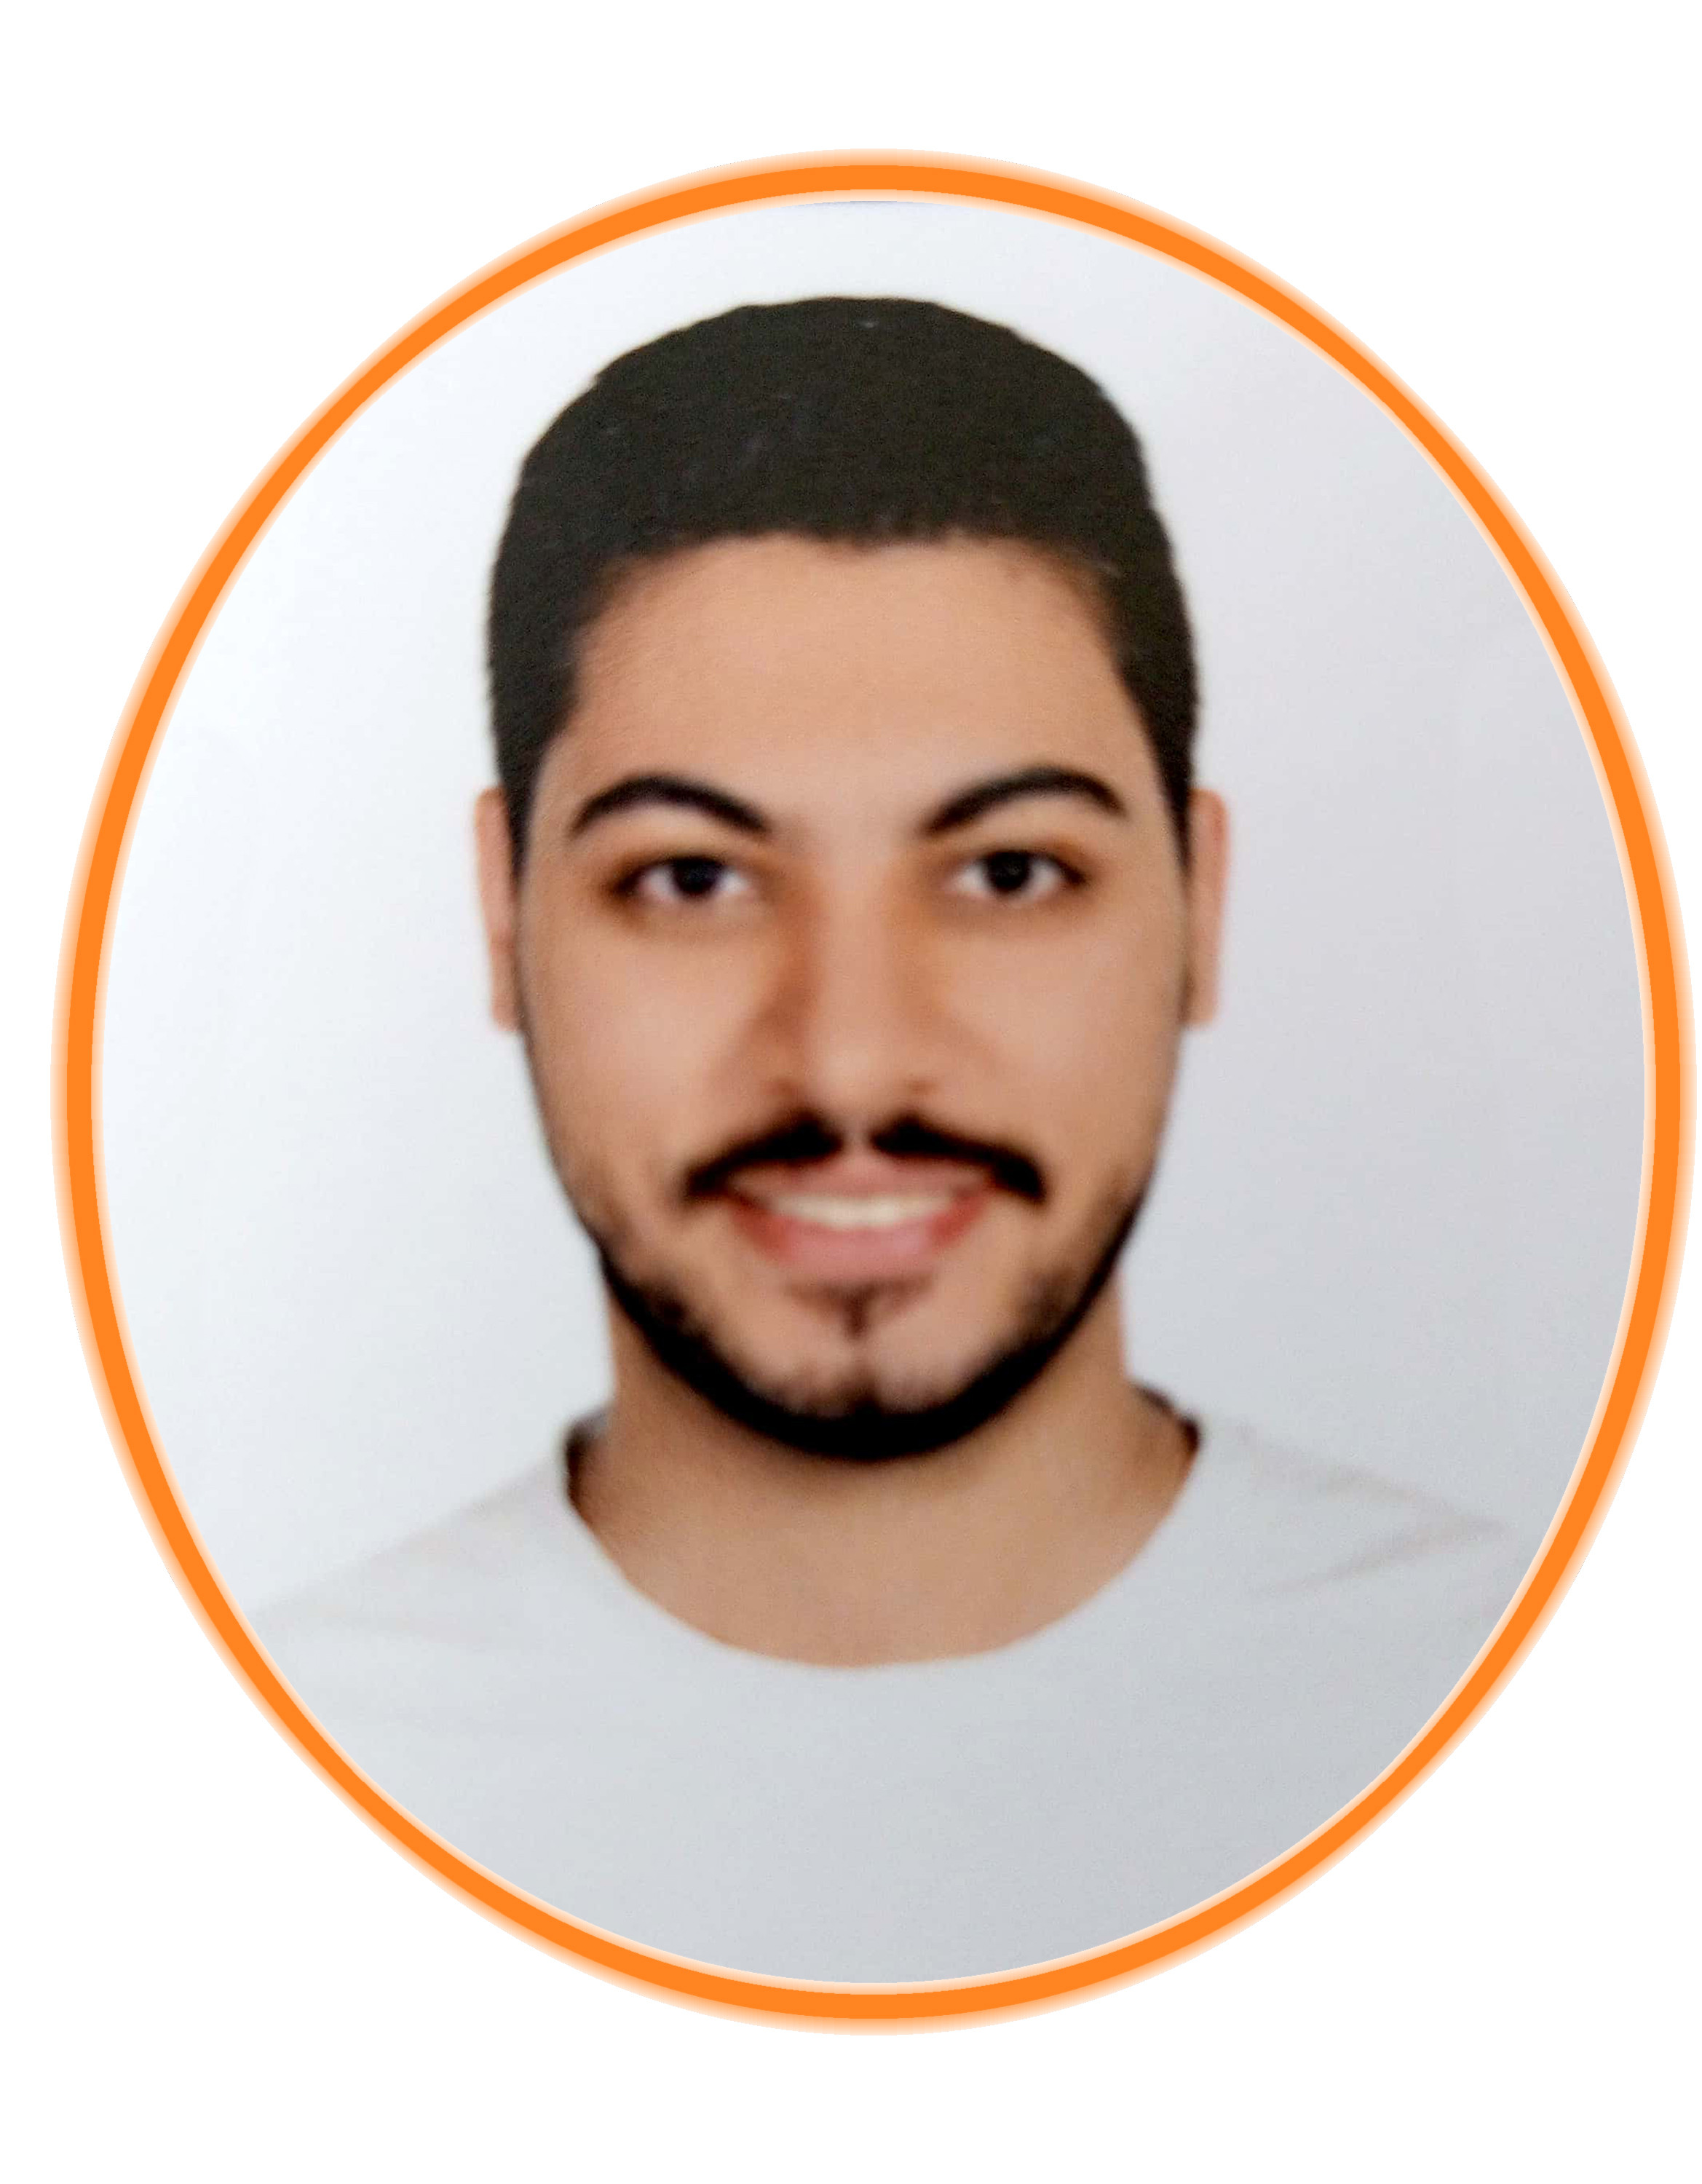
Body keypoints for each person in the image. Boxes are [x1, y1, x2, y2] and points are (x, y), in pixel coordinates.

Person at [260, 297, 1527, 1982]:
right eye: (692, 879)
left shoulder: (1558, 1727)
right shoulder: (231, 1799)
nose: (851, 1060)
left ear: (1200, 905)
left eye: (1008, 873)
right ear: (504, 917)